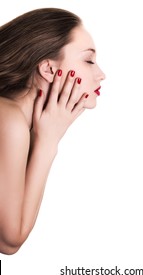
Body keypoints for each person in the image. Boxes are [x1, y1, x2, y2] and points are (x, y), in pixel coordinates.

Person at [0, 8, 105, 255]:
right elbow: (9, 241)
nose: (101, 74)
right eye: (88, 60)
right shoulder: (10, 120)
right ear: (48, 69)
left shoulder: (13, 118)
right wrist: (47, 141)